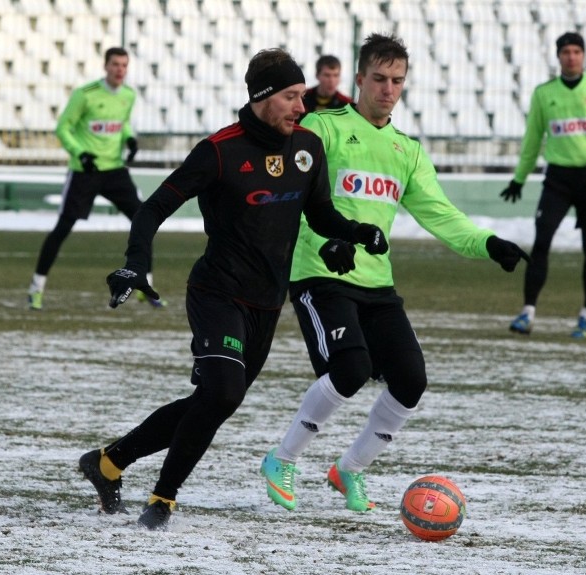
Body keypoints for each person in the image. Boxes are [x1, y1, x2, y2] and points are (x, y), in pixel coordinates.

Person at [77, 48, 388, 531]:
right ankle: (163, 498)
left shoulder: (307, 147)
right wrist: (136, 263)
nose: (300, 107)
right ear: (263, 97)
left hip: (266, 303)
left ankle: (109, 462)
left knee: (213, 400)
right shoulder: (220, 150)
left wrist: (353, 232)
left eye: (302, 96)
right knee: (221, 392)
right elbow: (151, 208)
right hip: (216, 293)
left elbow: (320, 213)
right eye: (290, 97)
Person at [259, 33, 527, 513]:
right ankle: (282, 459)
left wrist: (488, 243)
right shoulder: (322, 128)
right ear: (359, 79)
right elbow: (290, 199)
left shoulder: (407, 150)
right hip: (320, 272)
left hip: (376, 283)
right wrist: (329, 239)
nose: (387, 88)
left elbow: (441, 215)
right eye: (379, 78)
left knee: (410, 379)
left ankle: (349, 471)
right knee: (351, 368)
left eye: (397, 81)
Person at [500, 31, 586, 338]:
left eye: (576, 51)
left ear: (583, 56)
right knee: (542, 241)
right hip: (558, 179)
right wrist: (519, 178)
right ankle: (527, 313)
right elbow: (533, 140)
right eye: (565, 52)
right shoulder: (544, 94)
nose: (571, 57)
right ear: (558, 56)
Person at [26, 47, 163, 310]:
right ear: (106, 66)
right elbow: (63, 128)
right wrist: (80, 153)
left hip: (114, 170)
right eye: (115, 64)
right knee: (63, 228)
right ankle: (36, 288)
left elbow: (121, 123)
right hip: (85, 171)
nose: (120, 69)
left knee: (143, 220)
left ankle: (145, 286)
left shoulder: (128, 95)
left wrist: (129, 138)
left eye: (124, 65)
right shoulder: (85, 95)